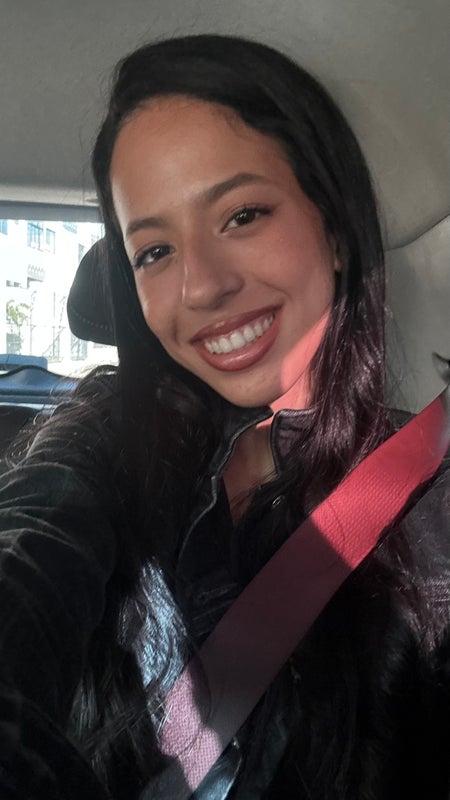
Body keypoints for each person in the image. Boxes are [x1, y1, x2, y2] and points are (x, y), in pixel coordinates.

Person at [0, 34, 449, 800]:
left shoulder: (432, 497)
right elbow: (32, 545)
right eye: (154, 253)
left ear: (335, 230)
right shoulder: (108, 429)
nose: (201, 287)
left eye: (243, 214)